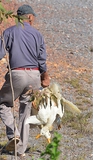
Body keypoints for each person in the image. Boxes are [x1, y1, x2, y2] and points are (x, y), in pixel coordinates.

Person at [0, 4, 50, 157]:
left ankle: (13, 134)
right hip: (34, 76)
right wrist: (44, 77)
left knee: (3, 103)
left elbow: (0, 53)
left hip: (17, 75)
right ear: (29, 17)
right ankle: (20, 150)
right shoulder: (37, 34)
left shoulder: (8, 32)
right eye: (33, 17)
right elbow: (42, 60)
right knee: (25, 112)